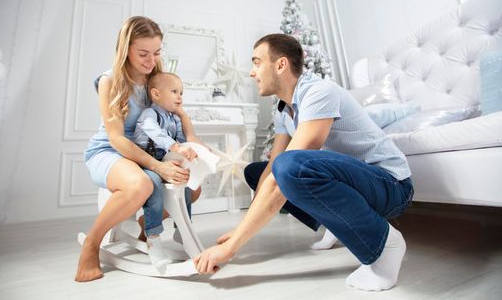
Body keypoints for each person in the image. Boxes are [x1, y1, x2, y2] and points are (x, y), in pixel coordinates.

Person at [194, 34, 414, 292]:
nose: (252, 73)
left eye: (256, 63)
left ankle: (385, 244)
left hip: (391, 185)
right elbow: (271, 169)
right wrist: (240, 230)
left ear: (280, 65)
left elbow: (283, 176)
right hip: (356, 186)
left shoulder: (319, 92)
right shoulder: (284, 109)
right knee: (257, 172)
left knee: (291, 168)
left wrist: (230, 248)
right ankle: (338, 222)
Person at [75, 16, 196, 282]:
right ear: (126, 48)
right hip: (110, 151)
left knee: (192, 184)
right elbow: (117, 139)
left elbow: (175, 117)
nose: (151, 60)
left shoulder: (158, 81)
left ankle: (146, 226)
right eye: (143, 53)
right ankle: (92, 244)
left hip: (146, 152)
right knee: (142, 185)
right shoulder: (111, 81)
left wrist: (187, 143)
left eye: (156, 53)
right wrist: (157, 166)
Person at [132, 72, 203, 269]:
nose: (180, 96)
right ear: (155, 94)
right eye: (174, 91)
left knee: (186, 179)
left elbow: (182, 140)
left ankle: (182, 228)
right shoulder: (150, 114)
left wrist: (191, 150)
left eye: (181, 92)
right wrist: (175, 147)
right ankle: (153, 238)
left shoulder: (174, 118)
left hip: (164, 162)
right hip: (145, 162)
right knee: (153, 183)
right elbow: (154, 131)